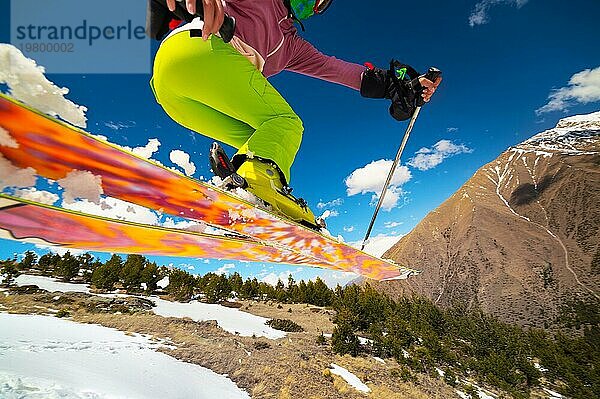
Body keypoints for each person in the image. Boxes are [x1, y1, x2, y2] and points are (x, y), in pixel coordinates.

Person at [147, 0, 441, 229]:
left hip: (174, 95)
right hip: (196, 47)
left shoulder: (291, 47)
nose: (312, 5)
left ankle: (242, 183)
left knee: (261, 140)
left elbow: (339, 71)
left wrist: (396, 86)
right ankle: (257, 188)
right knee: (285, 124)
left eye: (319, 5)